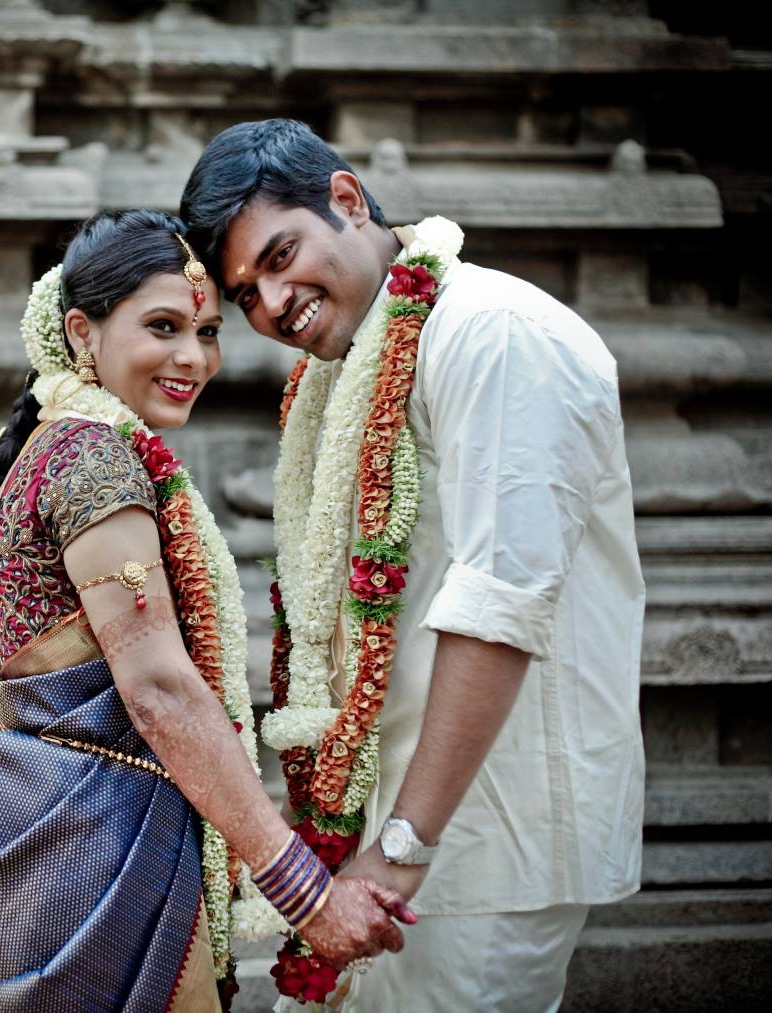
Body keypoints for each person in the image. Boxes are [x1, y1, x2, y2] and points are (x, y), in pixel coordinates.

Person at [0, 210, 417, 1013]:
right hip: (85, 862)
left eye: (207, 332)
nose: (192, 357)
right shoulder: (95, 460)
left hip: (44, 836)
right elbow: (160, 690)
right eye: (163, 326)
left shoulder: (56, 443)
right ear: (83, 331)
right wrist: (307, 894)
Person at [179, 120, 646, 1011]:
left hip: (485, 836)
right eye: (246, 292)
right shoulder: (353, 368)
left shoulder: (495, 333)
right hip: (396, 831)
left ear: (347, 200)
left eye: (282, 255)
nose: (275, 302)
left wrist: (401, 846)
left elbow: (500, 602)